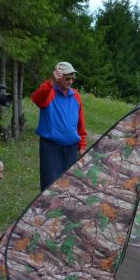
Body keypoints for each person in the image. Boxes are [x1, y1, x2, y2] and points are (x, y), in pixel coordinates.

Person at [31, 61, 87, 191]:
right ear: (59, 77)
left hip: (71, 148)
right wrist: (51, 81)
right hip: (51, 148)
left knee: (69, 185)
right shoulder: (49, 92)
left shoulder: (76, 96)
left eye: (72, 79)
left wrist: (82, 145)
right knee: (50, 186)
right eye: (67, 78)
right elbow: (36, 98)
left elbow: (81, 123)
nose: (70, 82)